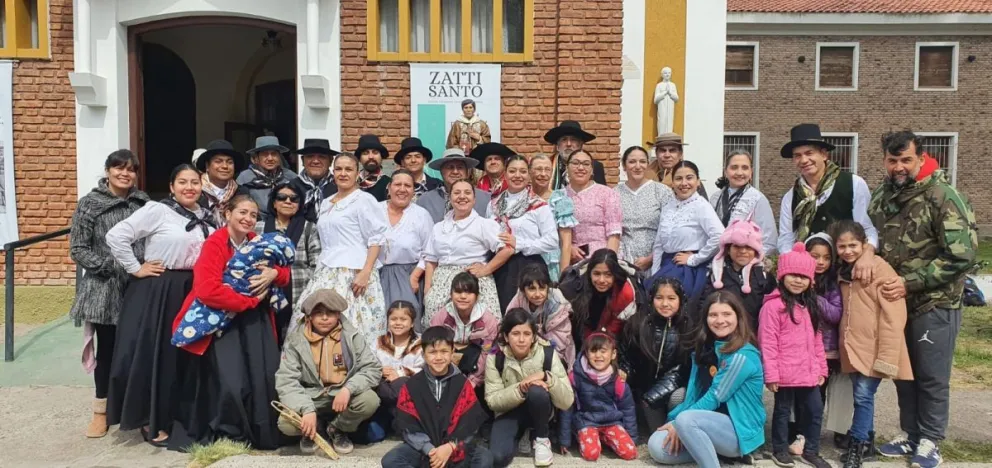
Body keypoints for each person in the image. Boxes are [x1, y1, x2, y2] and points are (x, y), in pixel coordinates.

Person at [869, 131, 977, 468]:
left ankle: (931, 439)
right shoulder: (887, 193)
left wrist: (910, 281)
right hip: (897, 302)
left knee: (931, 374)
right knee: (904, 372)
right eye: (892, 160)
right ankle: (910, 433)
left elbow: (963, 255)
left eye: (905, 160)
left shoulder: (942, 196)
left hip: (935, 302)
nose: (899, 167)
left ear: (921, 158)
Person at [165, 194, 287, 450]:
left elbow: (284, 271)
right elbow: (207, 289)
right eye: (242, 212)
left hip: (257, 322)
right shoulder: (216, 243)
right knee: (232, 381)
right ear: (227, 213)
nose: (248, 219)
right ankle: (230, 432)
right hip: (224, 321)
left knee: (263, 374)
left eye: (253, 215)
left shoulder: (256, 241)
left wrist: (275, 273)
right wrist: (250, 301)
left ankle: (260, 430)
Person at [105, 164, 214, 447]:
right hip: (160, 290)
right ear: (171, 187)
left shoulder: (207, 216)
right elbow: (116, 236)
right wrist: (136, 268)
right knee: (155, 355)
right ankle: (150, 418)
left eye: (194, 182)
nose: (189, 187)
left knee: (185, 357)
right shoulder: (157, 210)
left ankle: (179, 413)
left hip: (193, 291)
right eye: (182, 182)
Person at [69, 150, 149, 438]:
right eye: (119, 168)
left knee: (140, 351)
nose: (125, 174)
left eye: (130, 170)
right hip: (105, 290)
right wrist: (110, 266)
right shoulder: (90, 204)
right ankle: (100, 412)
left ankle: (139, 411)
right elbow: (78, 248)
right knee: (109, 352)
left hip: (139, 286)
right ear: (108, 171)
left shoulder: (144, 203)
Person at [830, 219, 915, 468]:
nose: (848, 251)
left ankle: (857, 448)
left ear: (864, 244)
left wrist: (888, 356)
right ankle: (867, 442)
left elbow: (894, 316)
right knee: (862, 395)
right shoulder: (842, 271)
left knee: (863, 396)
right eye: (842, 246)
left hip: (874, 346)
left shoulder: (879, 269)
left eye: (853, 245)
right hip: (853, 346)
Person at [648, 291, 765, 468]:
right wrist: (673, 423)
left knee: (685, 420)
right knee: (657, 447)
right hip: (705, 423)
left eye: (726, 314)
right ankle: (714, 453)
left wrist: (678, 423)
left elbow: (715, 397)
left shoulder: (742, 356)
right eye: (713, 315)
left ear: (738, 317)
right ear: (706, 319)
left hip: (737, 430)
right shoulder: (706, 350)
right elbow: (694, 392)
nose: (719, 320)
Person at [294, 152, 389, 345]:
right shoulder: (327, 202)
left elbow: (376, 238)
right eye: (338, 169)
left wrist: (366, 272)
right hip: (326, 269)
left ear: (357, 173)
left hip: (354, 271)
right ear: (333, 172)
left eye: (348, 169)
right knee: (315, 319)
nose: (343, 173)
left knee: (351, 324)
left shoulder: (364, 200)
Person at [275, 289, 382, 455]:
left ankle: (337, 428)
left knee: (369, 400)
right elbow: (286, 381)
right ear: (309, 316)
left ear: (338, 315)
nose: (325, 318)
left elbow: (372, 368)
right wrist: (306, 409)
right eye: (318, 313)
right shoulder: (296, 341)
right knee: (286, 424)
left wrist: (349, 389)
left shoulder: (351, 337)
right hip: (311, 396)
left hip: (341, 397)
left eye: (330, 313)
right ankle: (314, 429)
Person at [758, 243, 830, 468]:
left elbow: (817, 341)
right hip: (785, 372)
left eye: (803, 276)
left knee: (815, 411)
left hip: (808, 371)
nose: (798, 281)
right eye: (793, 275)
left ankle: (811, 450)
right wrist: (771, 374)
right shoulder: (773, 307)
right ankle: (779, 449)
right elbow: (767, 342)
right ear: (782, 276)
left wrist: (822, 368)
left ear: (810, 280)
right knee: (782, 412)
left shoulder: (810, 306)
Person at [383, 325, 494, 468]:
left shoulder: (463, 384)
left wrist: (450, 447)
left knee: (484, 458)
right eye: (433, 352)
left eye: (444, 351)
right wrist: (430, 450)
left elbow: (469, 425)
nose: (439, 357)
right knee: (391, 460)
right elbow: (408, 426)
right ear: (423, 355)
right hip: (423, 449)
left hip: (455, 448)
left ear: (452, 352)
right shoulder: (411, 386)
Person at [777, 124, 877, 268]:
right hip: (810, 271)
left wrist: (868, 255)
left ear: (824, 154)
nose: (804, 160)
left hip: (847, 268)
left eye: (809, 153)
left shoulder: (853, 184)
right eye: (797, 156)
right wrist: (794, 265)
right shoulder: (790, 197)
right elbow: (786, 238)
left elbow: (867, 228)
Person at [485, 308, 574, 468]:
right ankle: (521, 435)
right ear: (506, 336)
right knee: (497, 458)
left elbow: (567, 401)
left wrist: (546, 377)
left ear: (533, 336)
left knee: (537, 391)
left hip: (539, 410)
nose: (521, 340)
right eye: (515, 333)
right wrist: (520, 388)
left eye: (526, 334)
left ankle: (541, 439)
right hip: (508, 412)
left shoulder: (547, 353)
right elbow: (492, 400)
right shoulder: (495, 357)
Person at [422, 180, 513, 324]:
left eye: (467, 193)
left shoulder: (484, 224)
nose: (462, 196)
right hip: (441, 282)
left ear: (474, 199)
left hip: (474, 280)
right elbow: (431, 260)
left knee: (483, 324)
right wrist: (428, 290)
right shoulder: (439, 227)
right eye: (457, 193)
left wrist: (485, 269)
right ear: (450, 198)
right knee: (437, 323)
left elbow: (507, 249)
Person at [794, 233, 847, 454]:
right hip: (800, 349)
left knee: (825, 392)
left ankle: (837, 432)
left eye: (826, 257)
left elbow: (835, 315)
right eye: (815, 256)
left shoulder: (832, 284)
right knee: (805, 394)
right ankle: (800, 431)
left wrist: (813, 295)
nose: (821, 262)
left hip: (827, 349)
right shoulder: (794, 279)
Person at [645, 161, 724, 300]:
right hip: (667, 264)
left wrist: (694, 259)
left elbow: (720, 236)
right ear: (672, 183)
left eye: (689, 178)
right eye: (678, 178)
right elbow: (659, 244)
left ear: (698, 181)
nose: (684, 183)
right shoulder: (668, 206)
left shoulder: (701, 206)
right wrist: (655, 272)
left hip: (688, 269)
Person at [619, 277, 690, 434]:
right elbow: (626, 355)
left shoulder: (688, 326)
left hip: (671, 388)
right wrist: (624, 371)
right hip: (641, 388)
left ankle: (672, 432)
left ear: (681, 300)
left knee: (678, 397)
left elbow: (683, 369)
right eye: (659, 298)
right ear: (651, 299)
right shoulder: (637, 323)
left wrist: (656, 394)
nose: (665, 304)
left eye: (671, 298)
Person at [488, 155, 558, 311]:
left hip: (529, 266)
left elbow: (552, 241)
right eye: (512, 171)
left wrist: (519, 244)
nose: (517, 176)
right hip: (500, 266)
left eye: (523, 171)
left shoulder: (538, 204)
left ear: (529, 175)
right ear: (505, 174)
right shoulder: (493, 204)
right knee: (503, 311)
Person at [558, 331, 638, 461]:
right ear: (586, 353)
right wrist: (565, 440)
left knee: (630, 452)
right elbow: (567, 408)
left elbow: (628, 409)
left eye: (603, 351)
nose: (598, 355)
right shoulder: (575, 378)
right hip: (587, 421)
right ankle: (584, 436)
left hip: (612, 422)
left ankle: (604, 438)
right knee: (591, 454)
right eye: (593, 351)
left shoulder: (618, 380)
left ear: (613, 354)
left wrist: (632, 438)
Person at [255, 182, 311, 344]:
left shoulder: (309, 228)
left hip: (298, 294)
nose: (288, 201)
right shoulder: (258, 228)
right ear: (274, 202)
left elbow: (317, 266)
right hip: (265, 294)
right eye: (282, 197)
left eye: (294, 199)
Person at [379, 170, 435, 330]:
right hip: (376, 274)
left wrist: (415, 276)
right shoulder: (374, 210)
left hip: (407, 275)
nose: (402, 189)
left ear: (413, 190)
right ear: (389, 188)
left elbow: (430, 250)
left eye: (407, 186)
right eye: (397, 184)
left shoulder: (421, 215)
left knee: (403, 320)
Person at [697, 219, 776, 329]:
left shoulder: (764, 276)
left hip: (754, 335)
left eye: (748, 247)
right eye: (737, 247)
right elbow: (704, 305)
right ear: (728, 249)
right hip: (723, 334)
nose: (743, 251)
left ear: (756, 251)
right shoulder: (716, 275)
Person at [429, 272, 500, 388]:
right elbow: (432, 345)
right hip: (448, 361)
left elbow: (489, 352)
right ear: (450, 294)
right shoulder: (442, 316)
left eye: (468, 292)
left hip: (477, 365)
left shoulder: (487, 319)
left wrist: (474, 380)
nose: (463, 296)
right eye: (458, 291)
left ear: (477, 296)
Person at [560, 249, 641, 347]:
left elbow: (615, 327)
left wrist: (596, 346)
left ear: (615, 275)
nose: (602, 280)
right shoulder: (575, 286)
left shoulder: (625, 292)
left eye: (608, 275)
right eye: (597, 274)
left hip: (613, 338)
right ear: (589, 273)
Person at [505, 264, 576, 369]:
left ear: (548, 287)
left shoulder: (557, 304)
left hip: (554, 352)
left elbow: (558, 344)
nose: (538, 294)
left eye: (542, 288)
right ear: (523, 290)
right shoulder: (519, 299)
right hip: (524, 346)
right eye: (532, 289)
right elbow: (508, 325)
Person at [616, 145, 674, 271]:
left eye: (642, 161)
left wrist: (651, 258)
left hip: (657, 259)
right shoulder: (614, 193)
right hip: (623, 261)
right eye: (632, 162)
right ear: (624, 166)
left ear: (647, 164)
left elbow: (671, 229)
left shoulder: (662, 191)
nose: (638, 166)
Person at [710, 149, 777, 255]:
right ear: (725, 171)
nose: (739, 172)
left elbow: (769, 241)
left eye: (745, 168)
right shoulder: (715, 197)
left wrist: (750, 260)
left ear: (751, 172)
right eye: (734, 167)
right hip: (716, 259)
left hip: (745, 260)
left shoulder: (757, 199)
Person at [372, 301, 424, 431]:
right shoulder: (379, 342)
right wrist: (380, 370)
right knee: (372, 435)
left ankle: (403, 421)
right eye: (393, 319)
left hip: (410, 395)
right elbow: (369, 364)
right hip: (383, 393)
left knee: (401, 384)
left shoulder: (422, 343)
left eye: (403, 319)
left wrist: (401, 373)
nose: (398, 323)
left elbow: (426, 369)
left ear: (412, 323)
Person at [528, 154, 578, 281]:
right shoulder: (523, 198)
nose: (543, 174)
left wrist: (563, 276)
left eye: (547, 170)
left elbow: (566, 242)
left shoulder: (560, 199)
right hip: (525, 260)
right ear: (529, 172)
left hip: (551, 263)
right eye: (538, 169)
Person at [566, 149, 622, 262]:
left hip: (602, 258)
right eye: (575, 163)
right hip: (569, 259)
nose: (581, 168)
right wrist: (569, 248)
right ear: (567, 167)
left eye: (586, 164)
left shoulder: (607, 194)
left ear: (592, 170)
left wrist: (607, 263)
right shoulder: (559, 196)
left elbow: (614, 235)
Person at [417, 148, 492, 223]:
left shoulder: (486, 199)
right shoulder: (425, 201)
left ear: (467, 172)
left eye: (460, 167)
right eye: (450, 167)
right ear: (441, 171)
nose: (455, 171)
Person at [237, 136, 297, 220]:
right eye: (265, 154)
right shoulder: (245, 177)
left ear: (279, 157)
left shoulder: (290, 177)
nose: (270, 158)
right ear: (257, 158)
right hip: (255, 225)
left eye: (274, 154)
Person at [542, 120, 607, 189]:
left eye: (573, 140)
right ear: (557, 146)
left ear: (580, 145)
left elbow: (602, 195)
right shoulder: (547, 165)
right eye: (564, 140)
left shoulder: (594, 166)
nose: (568, 144)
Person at [196, 139, 248, 226]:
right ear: (207, 166)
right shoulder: (196, 191)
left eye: (229, 162)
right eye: (218, 161)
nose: (225, 166)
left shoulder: (242, 193)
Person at [290, 138, 339, 222]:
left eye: (322, 157)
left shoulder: (340, 188)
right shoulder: (290, 188)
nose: (316, 161)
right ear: (302, 160)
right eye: (310, 156)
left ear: (330, 161)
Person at [645, 133, 707, 198]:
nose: (667, 155)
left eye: (672, 151)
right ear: (656, 153)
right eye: (662, 150)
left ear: (680, 154)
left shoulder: (690, 180)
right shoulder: (644, 178)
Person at [355, 134, 391, 202]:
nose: (371, 156)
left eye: (375, 152)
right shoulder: (351, 183)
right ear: (359, 159)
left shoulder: (389, 184)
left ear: (381, 157)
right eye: (366, 153)